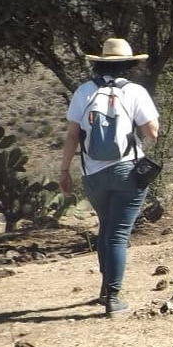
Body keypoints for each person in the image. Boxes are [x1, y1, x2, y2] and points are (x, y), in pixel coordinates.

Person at [59, 38, 160, 316]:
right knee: (118, 234)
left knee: (105, 227)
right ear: (128, 65)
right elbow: (152, 131)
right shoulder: (135, 91)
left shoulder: (84, 91)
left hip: (92, 173)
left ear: (100, 62)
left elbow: (72, 135)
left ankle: (105, 289)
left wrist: (64, 170)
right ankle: (114, 299)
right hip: (127, 169)